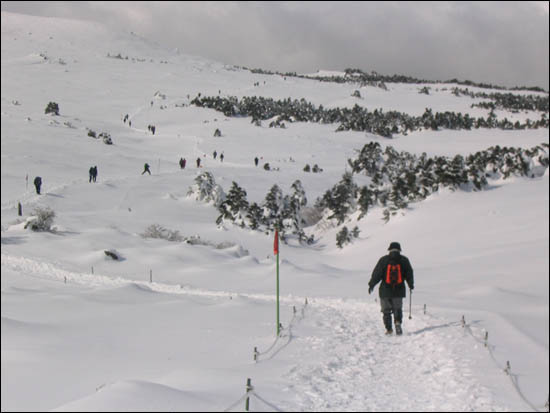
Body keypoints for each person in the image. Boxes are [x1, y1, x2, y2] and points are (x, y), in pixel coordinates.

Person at [368, 242, 414, 335]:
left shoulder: (383, 260)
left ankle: (389, 329)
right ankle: (397, 322)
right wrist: (410, 285)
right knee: (397, 309)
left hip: (385, 291)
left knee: (386, 311)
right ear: (399, 250)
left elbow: (377, 274)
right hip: (399, 290)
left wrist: (371, 284)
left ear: (389, 249)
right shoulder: (404, 260)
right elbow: (409, 273)